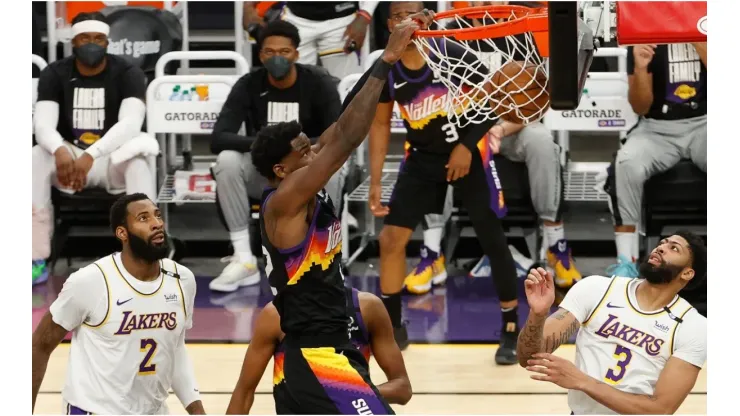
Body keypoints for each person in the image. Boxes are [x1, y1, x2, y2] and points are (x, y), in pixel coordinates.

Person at [248, 9, 433, 414]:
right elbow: (348, 139)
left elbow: (343, 123)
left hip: (331, 348)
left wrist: (388, 56)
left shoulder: (302, 185)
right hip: (314, 354)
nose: (312, 151)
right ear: (281, 169)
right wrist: (385, 59)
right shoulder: (284, 198)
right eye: (303, 151)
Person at [345, 1, 520, 364]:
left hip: (469, 154)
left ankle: (510, 326)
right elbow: (379, 124)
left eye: (412, 13)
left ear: (425, 18)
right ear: (389, 24)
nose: (405, 21)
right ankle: (393, 327)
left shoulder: (450, 52)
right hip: (422, 158)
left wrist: (465, 147)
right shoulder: (386, 65)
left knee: (490, 235)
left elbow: (492, 101)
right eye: (396, 16)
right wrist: (376, 181)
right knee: (391, 238)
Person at [410, 0, 580, 289]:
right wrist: (473, 134)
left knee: (542, 140)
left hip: (512, 127)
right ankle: (432, 253)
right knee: (435, 147)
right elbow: (437, 97)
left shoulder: (522, 33)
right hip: (463, 130)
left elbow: (539, 101)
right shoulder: (444, 36)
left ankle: (556, 246)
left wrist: (500, 128)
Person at [31, 194, 203, 415]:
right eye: (143, 218)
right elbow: (40, 345)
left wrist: (197, 410)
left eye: (157, 215)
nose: (157, 224)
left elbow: (175, 349)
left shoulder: (182, 279)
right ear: (122, 233)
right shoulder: (90, 282)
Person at [209, 20, 345, 293]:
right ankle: (244, 259)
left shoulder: (318, 83)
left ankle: (323, 258)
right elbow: (218, 137)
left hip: (307, 171)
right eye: (270, 52)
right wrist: (270, 146)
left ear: (296, 53)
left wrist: (297, 150)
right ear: (260, 55)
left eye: (284, 51)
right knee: (226, 160)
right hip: (266, 174)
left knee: (334, 167)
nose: (277, 58)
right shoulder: (248, 84)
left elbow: (339, 134)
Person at [517, 231, 707, 415]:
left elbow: (660, 409)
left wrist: (583, 381)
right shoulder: (595, 289)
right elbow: (528, 357)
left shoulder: (693, 327)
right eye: (662, 243)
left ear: (687, 273)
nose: (661, 248)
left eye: (674, 248)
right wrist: (538, 314)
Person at [33, 12, 158, 285]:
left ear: (107, 41)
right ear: (74, 41)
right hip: (68, 163)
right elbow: (42, 124)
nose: (92, 44)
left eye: (99, 38)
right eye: (85, 38)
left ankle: (146, 252)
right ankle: (35, 256)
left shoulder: (128, 73)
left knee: (139, 158)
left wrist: (92, 154)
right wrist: (60, 151)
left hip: (110, 159)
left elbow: (131, 123)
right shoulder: (55, 73)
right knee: (35, 156)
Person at [604, 42, 707, 277]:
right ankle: (625, 262)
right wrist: (640, 68)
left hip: (706, 123)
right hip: (656, 128)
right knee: (626, 163)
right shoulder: (644, 34)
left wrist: (698, 40)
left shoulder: (707, 24)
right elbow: (640, 107)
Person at [226, 287, 412, 414]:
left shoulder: (366, 307)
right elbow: (244, 392)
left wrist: (349, 395)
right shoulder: (276, 314)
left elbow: (402, 388)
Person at [281, 1, 380, 79]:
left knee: (346, 87)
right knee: (295, 86)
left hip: (342, 21)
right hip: (297, 19)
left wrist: (365, 14)